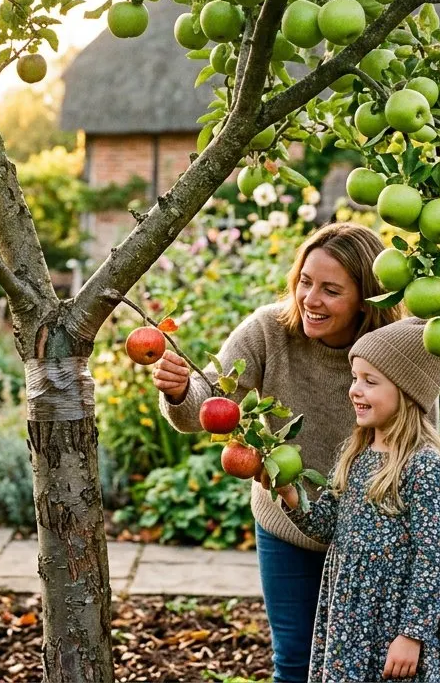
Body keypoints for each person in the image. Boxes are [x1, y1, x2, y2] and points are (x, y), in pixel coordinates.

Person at [153, 222, 401, 683]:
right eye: (305, 282)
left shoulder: (394, 349)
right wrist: (180, 389)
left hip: (368, 532)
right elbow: (203, 405)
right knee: (295, 661)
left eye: (331, 290)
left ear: (365, 298)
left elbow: (416, 445)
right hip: (286, 525)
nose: (310, 299)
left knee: (369, 666)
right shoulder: (270, 331)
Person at [280, 317, 440, 682]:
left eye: (369, 381)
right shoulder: (356, 453)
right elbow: (327, 525)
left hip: (397, 620)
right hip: (351, 618)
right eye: (355, 378)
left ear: (407, 392)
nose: (354, 390)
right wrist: (288, 492)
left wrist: (411, 635)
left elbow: (433, 560)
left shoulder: (423, 466)